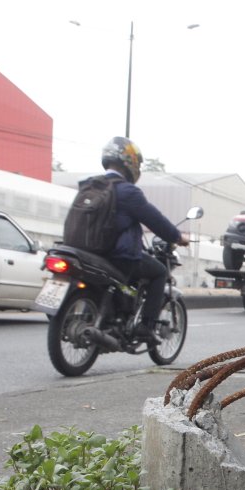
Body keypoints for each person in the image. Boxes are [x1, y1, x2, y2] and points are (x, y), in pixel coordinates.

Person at [99, 136, 183, 342]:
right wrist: (177, 237)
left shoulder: (90, 185)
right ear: (130, 162)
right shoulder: (127, 191)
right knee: (159, 272)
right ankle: (145, 327)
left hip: (89, 251)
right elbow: (155, 220)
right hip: (117, 255)